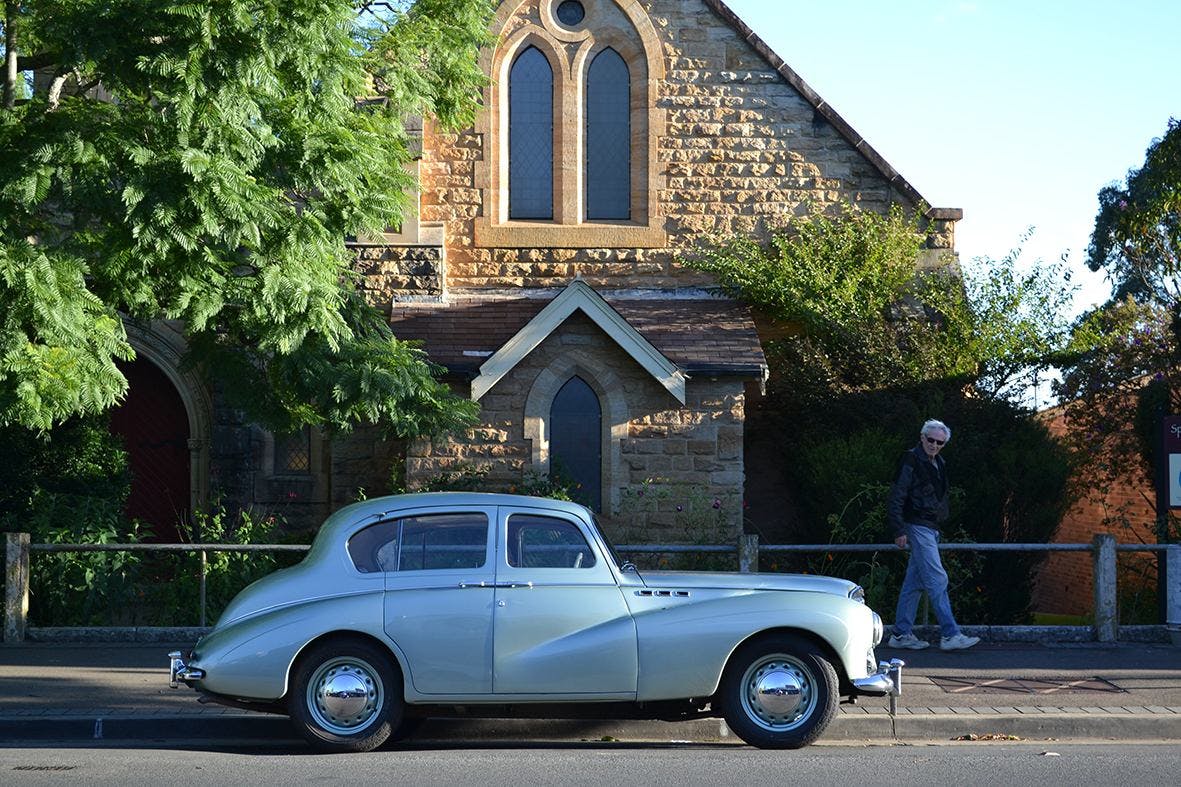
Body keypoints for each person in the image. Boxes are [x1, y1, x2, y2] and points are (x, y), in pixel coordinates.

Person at [885, 419, 980, 651]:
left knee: (914, 583)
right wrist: (898, 529)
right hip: (917, 526)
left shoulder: (939, 462)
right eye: (931, 440)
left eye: (940, 442)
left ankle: (900, 634)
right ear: (922, 437)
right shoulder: (911, 459)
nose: (934, 445)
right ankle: (950, 634)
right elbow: (897, 495)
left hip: (930, 527)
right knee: (937, 578)